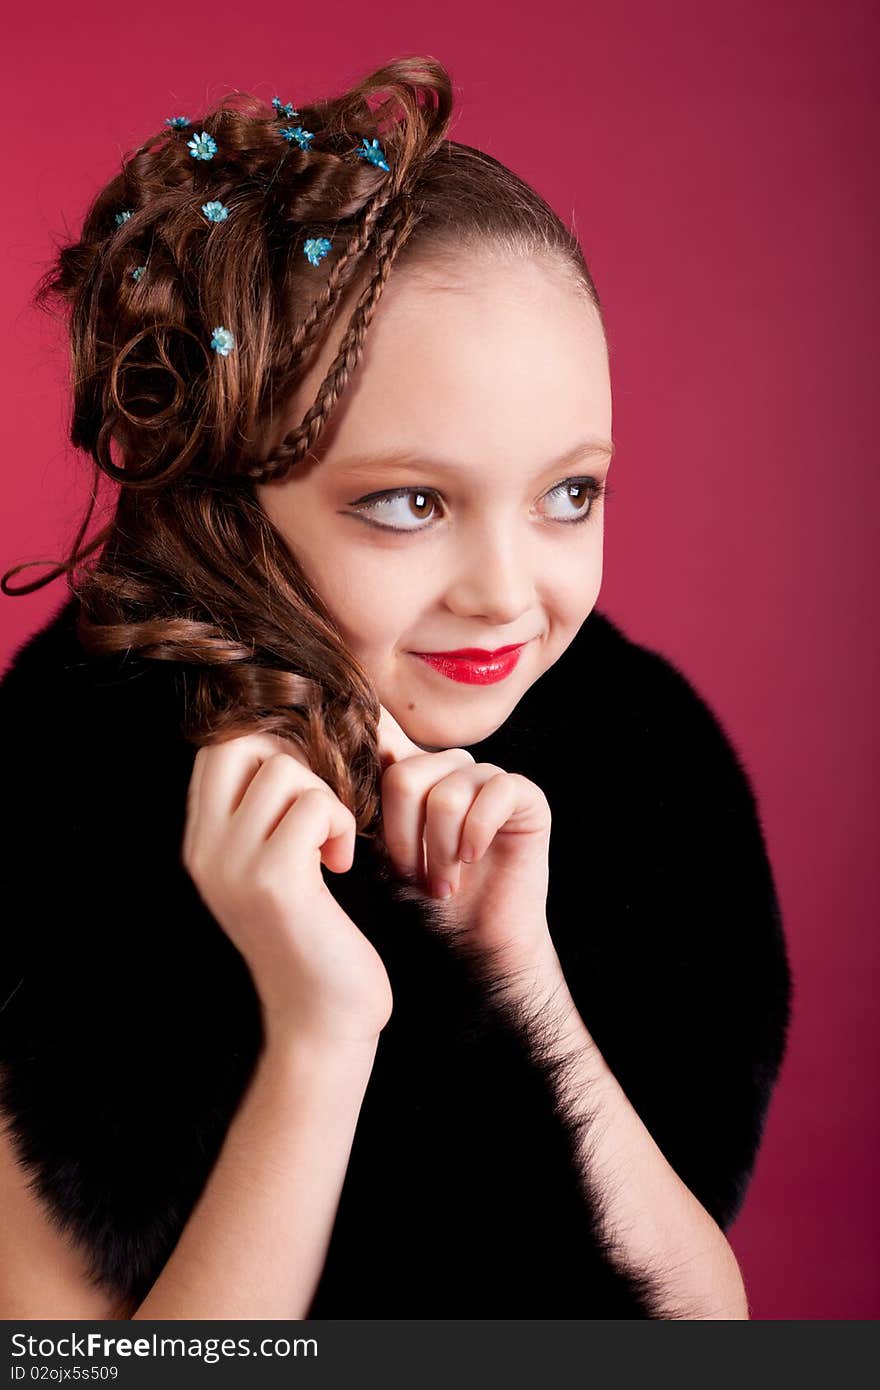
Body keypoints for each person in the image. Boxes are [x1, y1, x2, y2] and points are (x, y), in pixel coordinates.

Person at [0, 55, 792, 1320]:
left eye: (568, 493)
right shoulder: (48, 841)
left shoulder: (644, 800)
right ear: (217, 490)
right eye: (410, 503)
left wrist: (517, 977)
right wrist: (319, 1037)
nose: (505, 590)